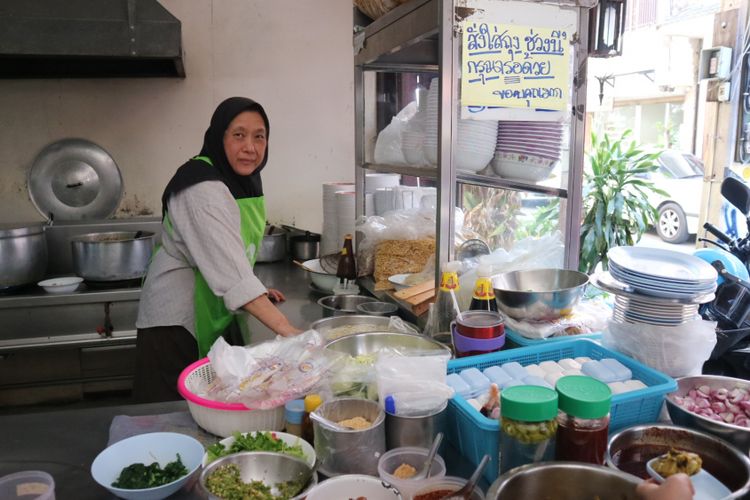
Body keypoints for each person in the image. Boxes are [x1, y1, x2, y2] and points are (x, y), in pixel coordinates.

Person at [133, 97, 303, 403]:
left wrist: (257, 290)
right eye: (238, 135)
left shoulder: (242, 180)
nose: (250, 147)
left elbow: (228, 250)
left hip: (206, 307)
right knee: (168, 414)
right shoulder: (202, 188)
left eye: (259, 136)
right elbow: (230, 272)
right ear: (218, 137)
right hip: (175, 324)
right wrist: (290, 332)